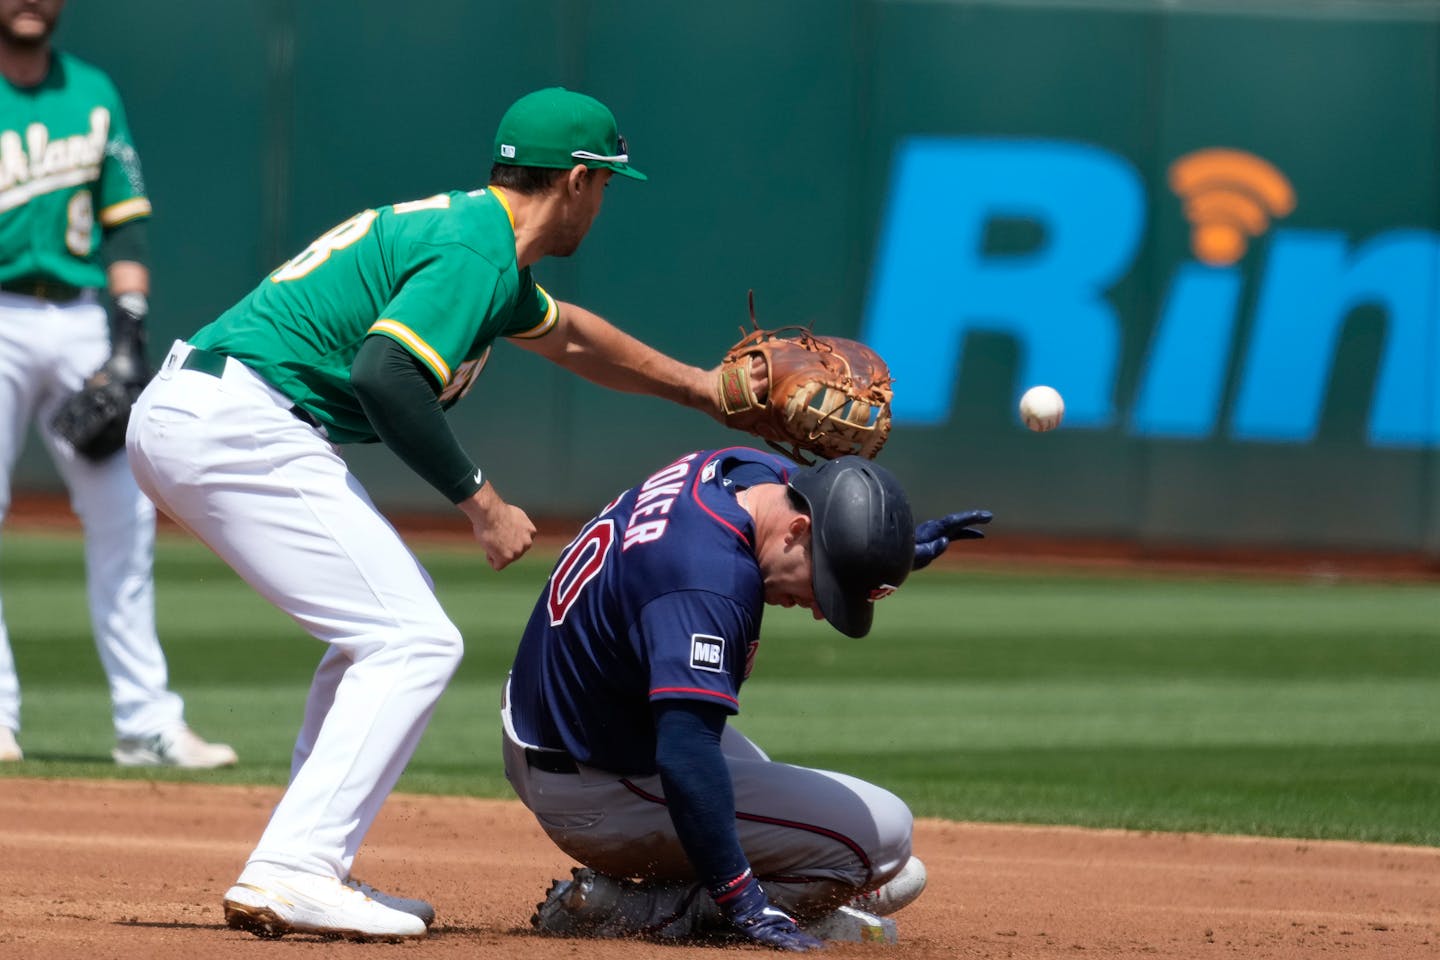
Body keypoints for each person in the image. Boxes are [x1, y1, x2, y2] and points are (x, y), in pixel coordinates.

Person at [126, 86, 759, 941]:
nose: (605, 200)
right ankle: (296, 869)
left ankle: (308, 859)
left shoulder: (481, 243)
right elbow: (384, 371)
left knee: (378, 634)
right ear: (576, 180)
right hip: (236, 420)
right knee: (414, 638)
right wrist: (483, 502)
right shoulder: (477, 252)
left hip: (211, 411)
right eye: (605, 182)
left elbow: (569, 335)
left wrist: (703, 390)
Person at [504, 447, 990, 948]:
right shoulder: (708, 581)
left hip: (569, 721)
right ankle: (644, 911)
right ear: (798, 531)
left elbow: (812, 504)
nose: (821, 610)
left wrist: (877, 554)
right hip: (597, 782)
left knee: (873, 862)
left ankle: (689, 891)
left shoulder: (742, 473)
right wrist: (743, 902)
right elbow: (686, 756)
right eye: (825, 584)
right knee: (881, 840)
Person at [0, 0, 235, 768]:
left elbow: (124, 225)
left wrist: (128, 335)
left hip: (78, 318)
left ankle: (146, 723)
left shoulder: (93, 92)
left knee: (126, 518)